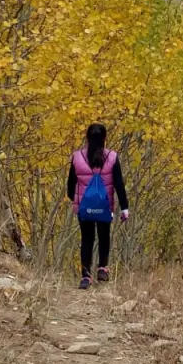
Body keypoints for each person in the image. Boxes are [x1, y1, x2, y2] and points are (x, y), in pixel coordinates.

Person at [67, 124, 129, 289]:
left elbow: (70, 186)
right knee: (104, 236)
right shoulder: (112, 157)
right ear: (105, 138)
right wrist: (124, 208)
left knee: (87, 239)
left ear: (87, 138)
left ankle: (86, 276)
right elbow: (119, 184)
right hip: (104, 206)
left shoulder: (77, 157)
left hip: (84, 207)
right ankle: (102, 268)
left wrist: (77, 200)